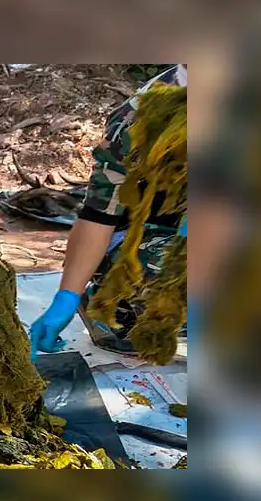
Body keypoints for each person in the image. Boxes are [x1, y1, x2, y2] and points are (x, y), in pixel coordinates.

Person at [29, 64, 188, 359]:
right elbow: (98, 217)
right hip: (148, 242)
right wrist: (66, 298)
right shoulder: (138, 120)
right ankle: (116, 307)